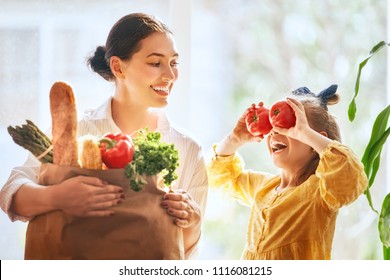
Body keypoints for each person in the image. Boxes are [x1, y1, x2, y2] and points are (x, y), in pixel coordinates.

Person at [0, 13, 208, 259]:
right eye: (156, 63)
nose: (171, 75)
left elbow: (182, 254)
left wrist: (192, 223)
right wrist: (58, 197)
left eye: (174, 62)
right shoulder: (80, 131)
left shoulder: (188, 149)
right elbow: (11, 193)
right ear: (118, 67)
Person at [207, 85, 367, 260]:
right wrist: (233, 139)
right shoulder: (264, 187)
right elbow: (221, 177)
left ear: (314, 143)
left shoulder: (320, 193)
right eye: (274, 126)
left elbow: (350, 173)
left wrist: (304, 132)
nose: (275, 131)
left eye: (290, 127)